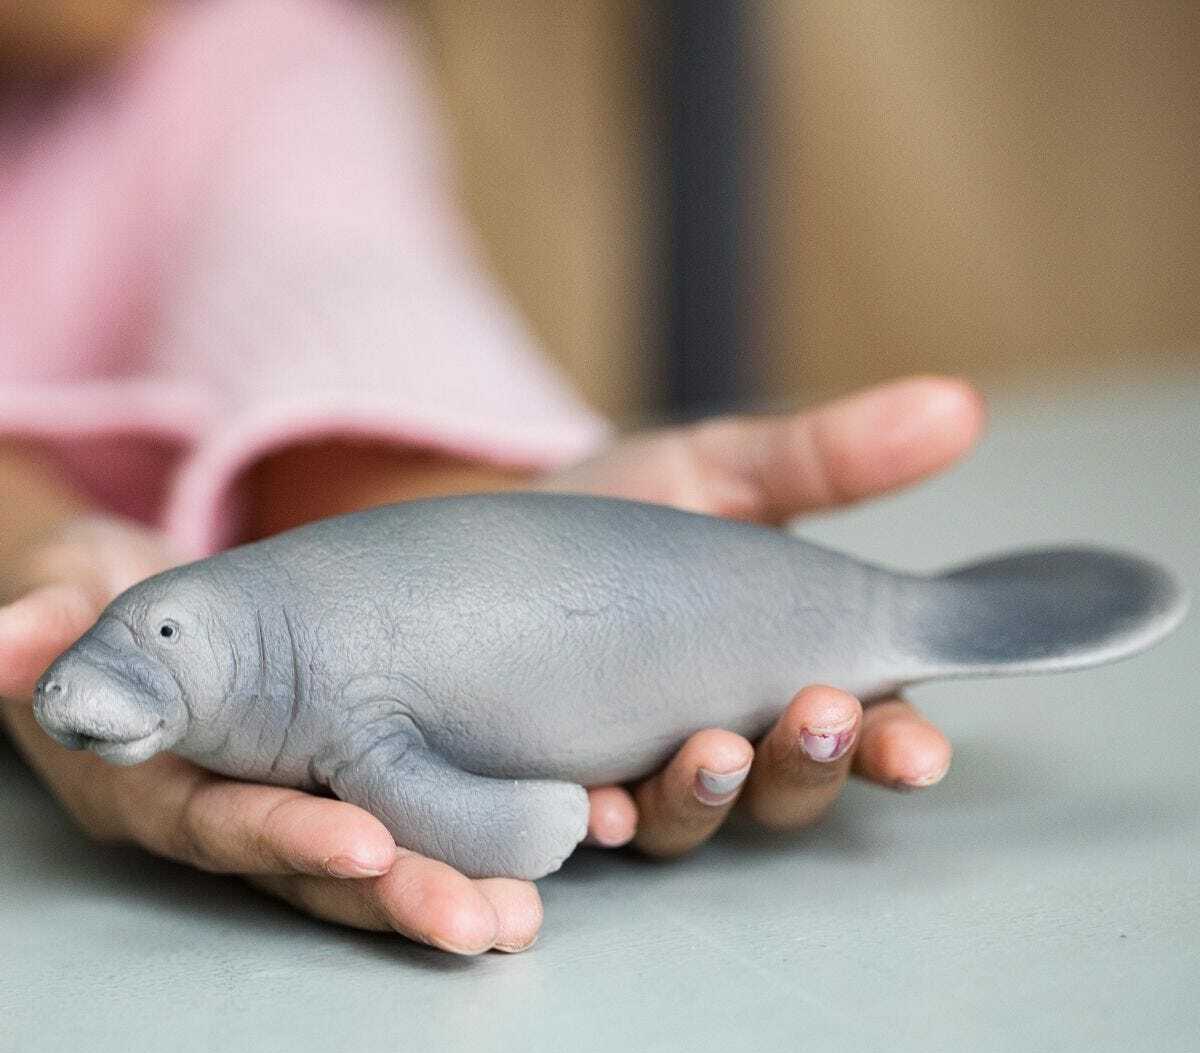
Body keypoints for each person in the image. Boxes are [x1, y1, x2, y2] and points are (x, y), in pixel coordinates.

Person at [0, 0, 983, 953]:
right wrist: (23, 554)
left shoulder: (267, 57)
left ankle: (917, 617)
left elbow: (344, 293)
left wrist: (459, 512)